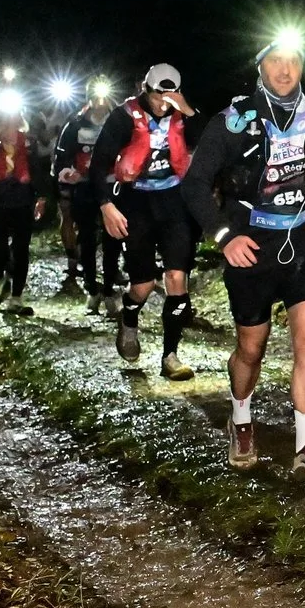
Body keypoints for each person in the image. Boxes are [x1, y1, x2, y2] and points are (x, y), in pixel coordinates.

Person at [182, 35, 305, 474]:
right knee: (251, 350)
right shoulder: (232, 120)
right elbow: (195, 184)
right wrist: (224, 237)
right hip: (251, 246)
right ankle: (240, 419)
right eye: (274, 61)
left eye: (293, 60)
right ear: (259, 67)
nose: (284, 69)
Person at [92, 64, 199, 380]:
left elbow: (211, 139)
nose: (163, 103)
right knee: (141, 284)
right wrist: (106, 205)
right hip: (135, 200)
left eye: (170, 95)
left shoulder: (183, 113)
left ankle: (171, 355)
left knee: (177, 279)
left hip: (173, 201)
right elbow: (98, 165)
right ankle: (129, 317)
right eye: (158, 95)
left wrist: (187, 109)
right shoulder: (123, 117)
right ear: (145, 90)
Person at [51, 92, 116, 313]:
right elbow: (62, 156)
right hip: (85, 188)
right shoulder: (75, 124)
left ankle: (109, 290)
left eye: (105, 95)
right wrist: (68, 174)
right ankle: (92, 289)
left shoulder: (118, 120)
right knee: (87, 239)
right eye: (96, 95)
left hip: (112, 187)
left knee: (112, 241)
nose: (100, 101)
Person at [0, 109, 45, 312]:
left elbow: (37, 169)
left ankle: (16, 297)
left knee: (22, 250)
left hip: (22, 201)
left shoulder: (29, 142)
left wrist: (41, 197)